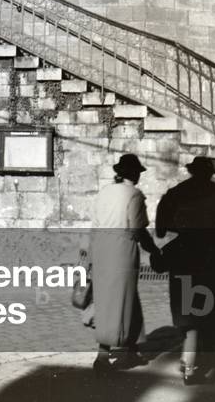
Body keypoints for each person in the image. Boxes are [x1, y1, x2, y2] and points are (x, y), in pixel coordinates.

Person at [155, 156, 215, 386]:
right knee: (208, 311)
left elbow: (160, 230)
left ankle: (189, 359)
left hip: (183, 256)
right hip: (212, 259)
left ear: (192, 172)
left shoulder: (175, 193)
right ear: (209, 174)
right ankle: (197, 360)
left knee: (187, 311)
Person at [91, 153, 160, 373]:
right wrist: (153, 250)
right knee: (121, 299)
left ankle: (130, 349)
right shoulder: (135, 195)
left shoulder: (103, 193)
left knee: (110, 298)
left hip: (101, 247)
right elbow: (137, 229)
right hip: (122, 249)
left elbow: (95, 224)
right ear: (134, 174)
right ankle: (103, 356)